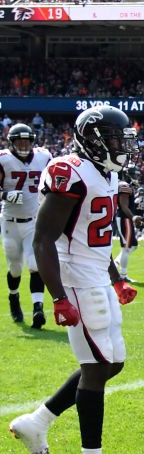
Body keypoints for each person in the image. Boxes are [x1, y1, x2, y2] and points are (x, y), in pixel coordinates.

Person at [8, 106, 139, 454]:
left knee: (112, 363)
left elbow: (97, 237)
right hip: (76, 279)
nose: (121, 145)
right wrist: (59, 297)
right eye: (115, 138)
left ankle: (37, 422)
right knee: (97, 367)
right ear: (94, 139)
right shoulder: (71, 171)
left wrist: (116, 277)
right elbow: (44, 238)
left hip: (96, 274)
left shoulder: (107, 174)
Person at [0, 123, 52, 327]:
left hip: (34, 221)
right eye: (19, 141)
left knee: (35, 265)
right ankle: (14, 297)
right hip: (10, 222)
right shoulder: (4, 160)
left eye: (26, 141)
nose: (23, 145)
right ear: (11, 142)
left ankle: (38, 308)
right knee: (15, 268)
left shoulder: (43, 157)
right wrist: (5, 194)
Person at [115, 167, 140, 282]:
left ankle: (116, 263)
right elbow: (123, 206)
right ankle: (123, 275)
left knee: (133, 245)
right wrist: (133, 217)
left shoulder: (126, 185)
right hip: (124, 218)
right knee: (126, 248)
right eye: (134, 175)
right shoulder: (124, 185)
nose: (136, 177)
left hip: (126, 218)